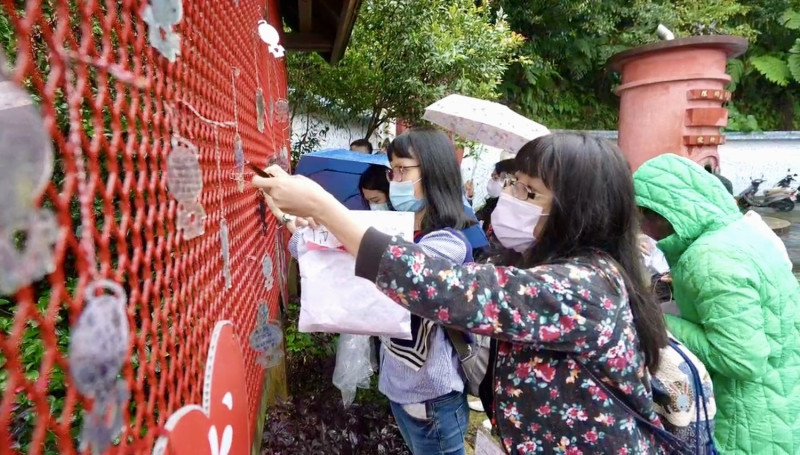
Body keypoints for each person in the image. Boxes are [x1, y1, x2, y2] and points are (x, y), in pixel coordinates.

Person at [254, 132, 671, 454]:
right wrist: (307, 224)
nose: (508, 198)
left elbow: (440, 286)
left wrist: (325, 208)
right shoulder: (562, 271)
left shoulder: (580, 288)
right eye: (512, 184)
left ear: (580, 210)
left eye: (529, 192)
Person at [634, 153, 800, 454]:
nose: (642, 231)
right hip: (784, 399)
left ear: (661, 214)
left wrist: (657, 319)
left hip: (748, 421)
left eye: (640, 219)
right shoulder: (742, 233)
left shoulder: (709, 258)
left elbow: (741, 359)